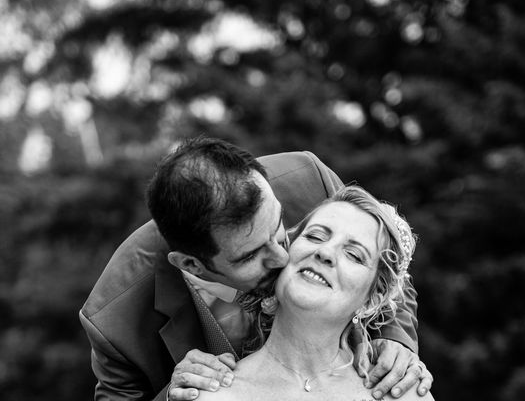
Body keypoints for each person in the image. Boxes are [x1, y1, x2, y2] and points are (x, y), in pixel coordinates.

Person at [79, 137, 432, 401]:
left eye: (279, 226)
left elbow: (383, 262)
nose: (281, 257)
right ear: (192, 264)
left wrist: (394, 339)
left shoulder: (309, 181)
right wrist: (176, 394)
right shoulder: (114, 321)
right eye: (250, 257)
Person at [196, 185, 434, 401]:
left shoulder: (406, 395)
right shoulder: (210, 394)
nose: (325, 252)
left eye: (354, 254)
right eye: (315, 236)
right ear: (283, 257)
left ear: (373, 299)